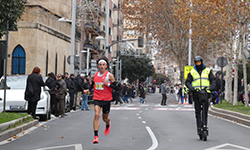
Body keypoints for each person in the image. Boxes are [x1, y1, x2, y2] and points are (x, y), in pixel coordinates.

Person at [87, 56, 119, 144]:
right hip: (97, 98)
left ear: (106, 66)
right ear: (98, 66)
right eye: (100, 65)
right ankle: (96, 136)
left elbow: (117, 88)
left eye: (103, 65)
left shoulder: (109, 75)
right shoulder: (95, 76)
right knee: (96, 115)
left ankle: (108, 123)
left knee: (105, 118)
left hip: (107, 99)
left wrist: (108, 84)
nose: (101, 66)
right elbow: (91, 85)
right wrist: (88, 90)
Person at [185, 56, 216, 138]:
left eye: (199, 62)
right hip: (196, 94)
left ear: (202, 62)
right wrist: (191, 88)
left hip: (206, 94)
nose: (198, 64)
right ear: (195, 63)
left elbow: (213, 80)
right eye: (197, 62)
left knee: (205, 112)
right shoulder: (192, 72)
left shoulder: (208, 71)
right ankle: (199, 127)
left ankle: (205, 126)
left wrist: (212, 87)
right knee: (198, 112)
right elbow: (187, 82)